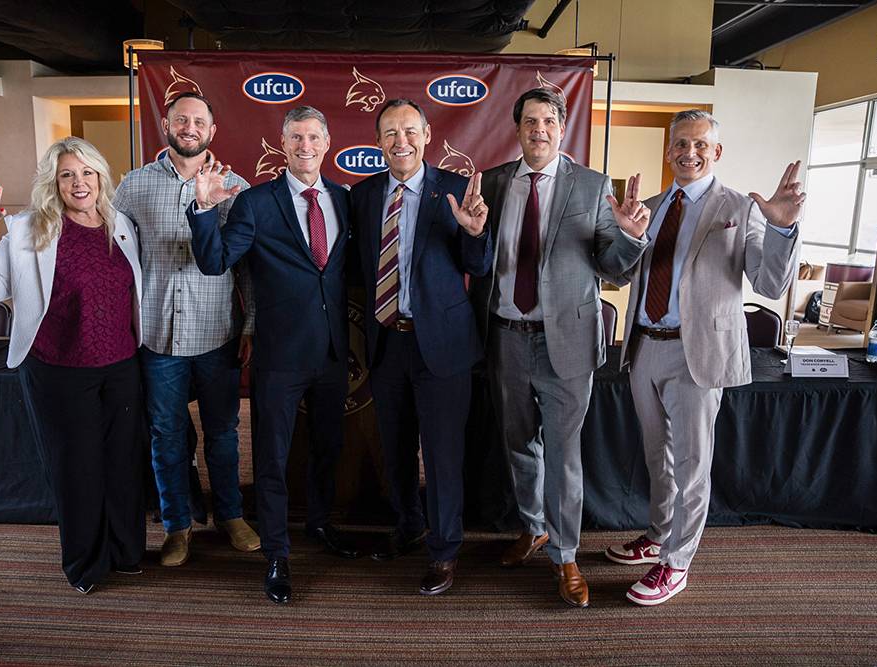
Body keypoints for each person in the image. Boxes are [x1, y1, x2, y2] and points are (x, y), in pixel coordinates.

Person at [607, 109, 802, 605]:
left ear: (716, 152)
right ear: (669, 150)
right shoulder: (650, 205)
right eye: (680, 145)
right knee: (657, 457)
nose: (688, 153)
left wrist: (781, 230)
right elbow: (621, 277)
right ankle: (658, 535)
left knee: (693, 463)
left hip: (699, 353)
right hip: (645, 346)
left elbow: (771, 282)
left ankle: (677, 563)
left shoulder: (740, 208)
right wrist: (628, 236)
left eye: (699, 145)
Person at [469, 88, 650, 607]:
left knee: (565, 455)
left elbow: (613, 267)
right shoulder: (497, 183)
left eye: (548, 120)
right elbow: (479, 253)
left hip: (565, 343)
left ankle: (566, 554)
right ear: (517, 128)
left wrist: (631, 237)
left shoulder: (591, 187)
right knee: (520, 444)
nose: (539, 130)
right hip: (506, 338)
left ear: (562, 127)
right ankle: (533, 528)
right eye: (529, 121)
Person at [187, 105, 360, 605]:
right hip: (279, 356)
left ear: (327, 143)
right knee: (273, 458)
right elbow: (215, 260)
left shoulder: (344, 201)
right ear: (282, 145)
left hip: (332, 352)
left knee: (328, 448)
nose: (305, 146)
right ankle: (278, 554)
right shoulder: (255, 203)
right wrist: (202, 210)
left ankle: (321, 525)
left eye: (313, 137)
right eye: (295, 138)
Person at [0, 137, 145, 594]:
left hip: (122, 363)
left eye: (86, 172)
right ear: (54, 182)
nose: (79, 183)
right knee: (78, 468)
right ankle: (85, 564)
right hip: (62, 369)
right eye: (67, 175)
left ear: (101, 175)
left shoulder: (120, 222)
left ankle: (126, 551)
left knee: (123, 462)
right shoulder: (29, 228)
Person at [350, 98, 492, 596]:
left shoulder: (455, 190)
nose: (400, 141)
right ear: (378, 141)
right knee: (396, 449)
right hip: (387, 343)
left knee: (443, 454)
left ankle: (445, 550)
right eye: (389, 132)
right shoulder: (364, 196)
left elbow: (477, 265)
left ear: (428, 134)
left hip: (444, 349)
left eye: (409, 130)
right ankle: (409, 525)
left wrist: (476, 234)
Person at [114, 92, 258, 567]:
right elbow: (116, 262)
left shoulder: (234, 187)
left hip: (216, 333)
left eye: (199, 120)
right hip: (156, 338)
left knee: (222, 432)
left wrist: (251, 323)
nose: (190, 127)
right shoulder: (133, 187)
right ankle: (178, 527)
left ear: (212, 131)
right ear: (166, 124)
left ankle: (230, 517)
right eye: (181, 120)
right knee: (166, 436)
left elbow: (246, 268)